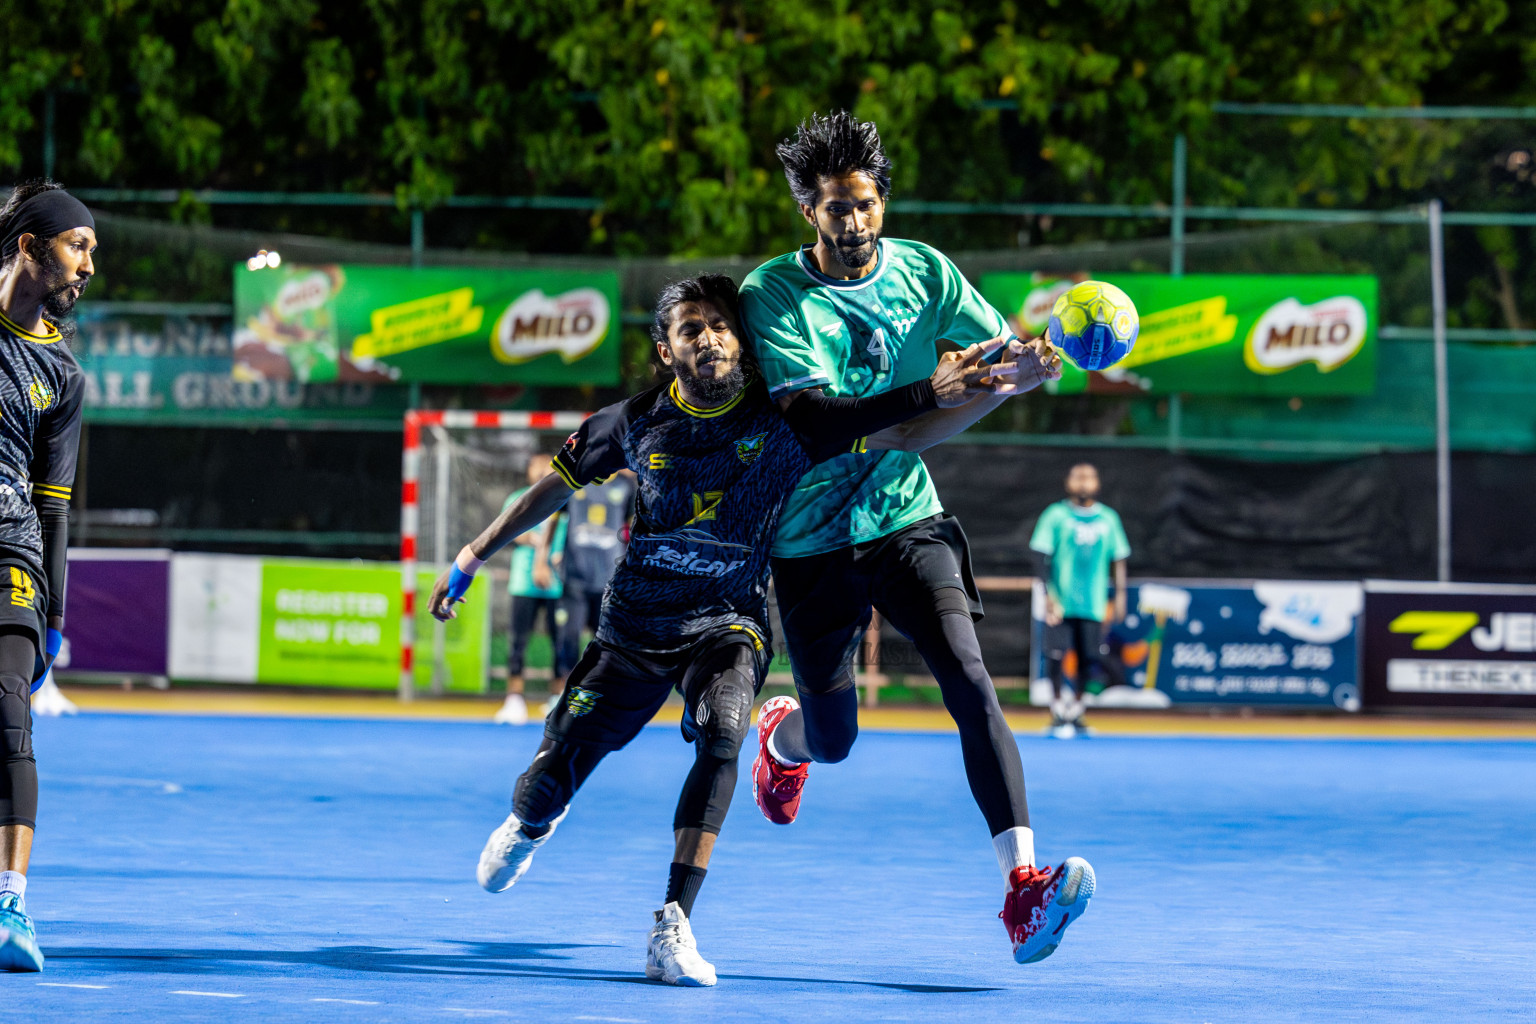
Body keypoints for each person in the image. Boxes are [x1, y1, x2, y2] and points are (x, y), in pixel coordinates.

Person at [429, 273, 1032, 985]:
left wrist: (973, 386)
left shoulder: (785, 419)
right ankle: (534, 820)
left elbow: (880, 422)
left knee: (723, 735)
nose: (709, 338)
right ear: (666, 351)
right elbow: (552, 489)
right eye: (691, 330)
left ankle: (672, 924)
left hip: (730, 623)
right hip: (636, 627)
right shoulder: (634, 422)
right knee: (544, 784)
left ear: (743, 343)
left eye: (720, 325)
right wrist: (472, 558)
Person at [738, 111, 1094, 964]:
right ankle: (782, 737)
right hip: (809, 538)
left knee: (970, 679)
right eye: (834, 209)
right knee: (835, 740)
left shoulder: (926, 273)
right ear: (808, 214)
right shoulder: (770, 295)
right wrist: (934, 396)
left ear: (882, 203)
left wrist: (1028, 370)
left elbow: (985, 364)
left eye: (863, 205)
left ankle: (1022, 890)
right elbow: (820, 425)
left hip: (906, 516)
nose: (852, 223)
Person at [0, 181, 93, 973]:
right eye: (78, 244)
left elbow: (54, 505)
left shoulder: (62, 376)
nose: (88, 264)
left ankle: (11, 903)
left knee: (7, 714)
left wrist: (56, 616)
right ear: (30, 247)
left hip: (14, 555)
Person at [1030, 462, 1130, 737]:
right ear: (1068, 481)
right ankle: (1057, 710)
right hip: (1060, 603)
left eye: (1089, 477)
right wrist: (1049, 594)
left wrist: (1120, 595)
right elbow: (1040, 556)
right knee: (1056, 655)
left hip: (1093, 603)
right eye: (1078, 477)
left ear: (1097, 483)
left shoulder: (1109, 519)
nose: (1084, 482)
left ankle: (1078, 711)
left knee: (1090, 657)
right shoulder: (1056, 515)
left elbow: (1119, 558)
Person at [551, 470, 635, 710]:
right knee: (569, 636)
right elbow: (554, 518)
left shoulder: (626, 485)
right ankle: (564, 694)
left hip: (609, 578)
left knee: (605, 641)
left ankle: (601, 694)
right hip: (574, 574)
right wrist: (543, 556)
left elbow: (632, 526)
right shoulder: (576, 478)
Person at [496, 453, 570, 726]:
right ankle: (514, 700)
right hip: (523, 583)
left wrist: (554, 556)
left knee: (561, 643)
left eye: (546, 465)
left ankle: (556, 699)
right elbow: (510, 531)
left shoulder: (563, 497)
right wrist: (538, 543)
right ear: (528, 470)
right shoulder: (517, 497)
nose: (541, 471)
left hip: (556, 585)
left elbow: (568, 536)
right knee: (518, 642)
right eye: (535, 466)